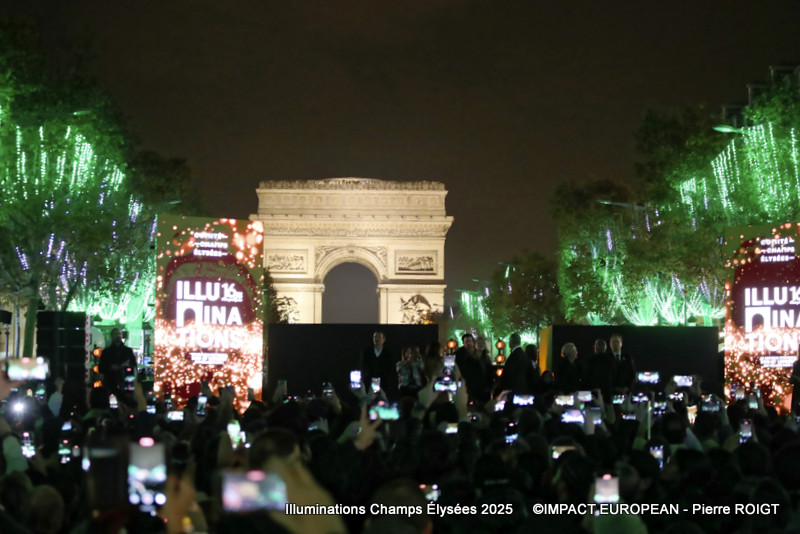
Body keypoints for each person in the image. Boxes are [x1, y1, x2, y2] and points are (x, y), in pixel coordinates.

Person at [98, 328, 137, 396]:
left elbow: (134, 366)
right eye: (116, 334)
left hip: (124, 383)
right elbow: (100, 368)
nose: (118, 335)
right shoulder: (106, 352)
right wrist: (111, 368)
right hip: (111, 383)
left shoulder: (128, 351)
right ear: (112, 336)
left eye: (120, 334)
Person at [361, 331, 398, 400]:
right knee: (369, 401)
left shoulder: (388, 354)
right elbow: (363, 366)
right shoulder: (367, 352)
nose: (376, 339)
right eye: (375, 337)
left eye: (379, 337)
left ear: (384, 339)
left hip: (383, 382)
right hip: (369, 382)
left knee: (383, 401)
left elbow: (390, 368)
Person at [454, 333, 490, 402]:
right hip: (466, 384)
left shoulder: (481, 355)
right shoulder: (459, 354)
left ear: (473, 342)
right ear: (463, 343)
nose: (469, 343)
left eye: (470, 341)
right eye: (466, 341)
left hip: (479, 386)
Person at [583, 339, 615, 403]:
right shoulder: (610, 361)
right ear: (605, 348)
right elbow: (614, 375)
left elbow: (586, 376)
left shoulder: (590, 361)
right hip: (607, 391)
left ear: (595, 348)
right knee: (609, 410)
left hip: (594, 392)